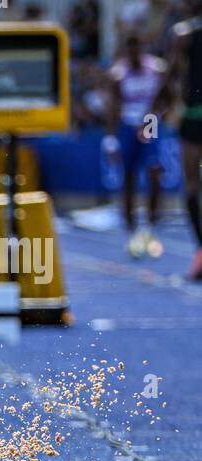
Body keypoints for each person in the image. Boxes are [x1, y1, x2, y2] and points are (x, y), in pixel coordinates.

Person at [105, 31, 167, 258]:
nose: (134, 52)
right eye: (129, 48)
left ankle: (151, 224)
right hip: (128, 125)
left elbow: (166, 96)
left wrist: (158, 116)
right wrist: (110, 139)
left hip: (149, 122)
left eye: (137, 47)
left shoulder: (157, 69)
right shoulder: (117, 74)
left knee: (154, 171)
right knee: (128, 176)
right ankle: (131, 229)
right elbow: (113, 107)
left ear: (143, 47)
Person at [157, 1, 202, 278]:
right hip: (192, 115)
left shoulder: (183, 34)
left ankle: (200, 251)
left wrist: (156, 107)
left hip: (193, 115)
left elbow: (171, 76)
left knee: (192, 186)